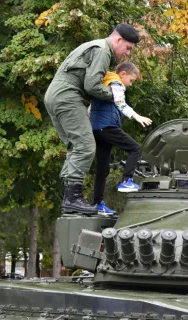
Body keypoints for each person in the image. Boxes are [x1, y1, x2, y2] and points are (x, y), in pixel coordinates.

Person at [44, 24, 140, 215]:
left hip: (55, 96)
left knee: (75, 145)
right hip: (68, 96)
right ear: (118, 40)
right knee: (86, 146)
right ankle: (73, 199)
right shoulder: (102, 51)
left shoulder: (95, 47)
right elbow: (91, 85)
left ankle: (69, 199)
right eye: (128, 47)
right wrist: (115, 97)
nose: (127, 52)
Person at [89, 61, 152, 215]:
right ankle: (126, 181)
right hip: (108, 126)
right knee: (135, 148)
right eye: (131, 80)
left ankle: (97, 204)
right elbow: (120, 103)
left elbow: (90, 109)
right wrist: (136, 116)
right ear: (122, 74)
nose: (130, 85)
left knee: (103, 168)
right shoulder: (116, 83)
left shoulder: (104, 82)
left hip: (97, 129)